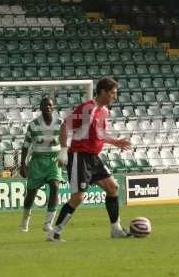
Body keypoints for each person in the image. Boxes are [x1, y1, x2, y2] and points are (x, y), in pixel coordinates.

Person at [48, 77, 132, 242]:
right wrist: (64, 150)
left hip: (93, 158)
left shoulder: (104, 111)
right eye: (112, 93)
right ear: (102, 92)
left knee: (113, 188)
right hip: (79, 156)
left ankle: (116, 229)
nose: (115, 96)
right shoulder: (87, 108)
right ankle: (54, 232)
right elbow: (66, 125)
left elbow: (99, 135)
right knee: (78, 198)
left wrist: (116, 142)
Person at [19, 96, 65, 232]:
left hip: (54, 160)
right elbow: (25, 146)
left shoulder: (61, 123)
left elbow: (64, 143)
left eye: (50, 105)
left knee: (55, 186)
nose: (48, 107)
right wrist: (23, 164)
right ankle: (24, 222)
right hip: (37, 161)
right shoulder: (33, 125)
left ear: (53, 107)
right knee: (31, 194)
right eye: (45, 105)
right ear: (40, 108)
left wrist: (64, 155)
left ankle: (48, 223)